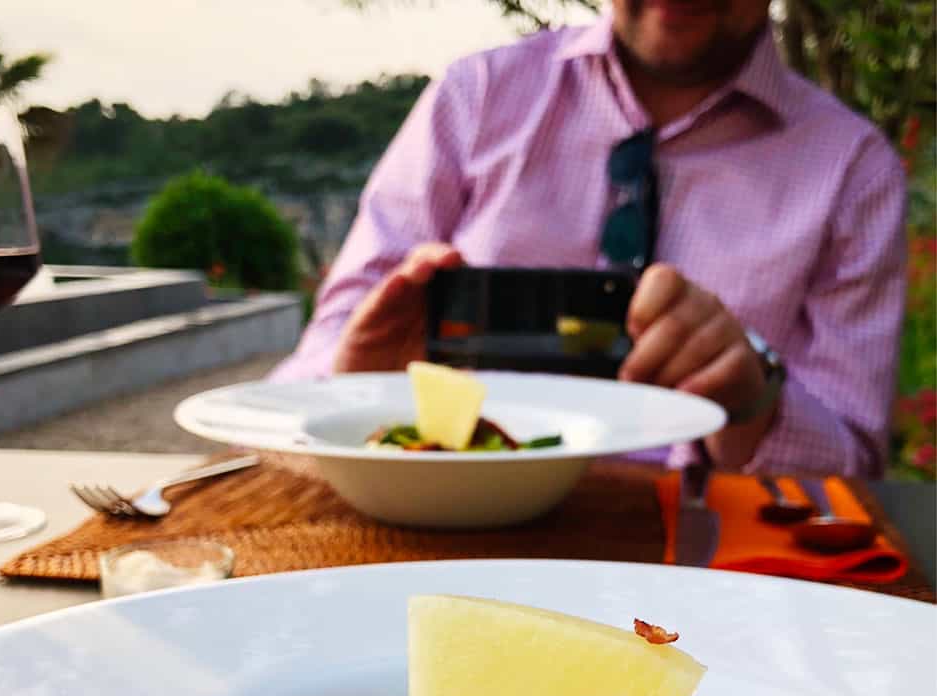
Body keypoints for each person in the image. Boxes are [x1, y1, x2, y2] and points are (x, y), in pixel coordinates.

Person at [271, 1, 906, 475]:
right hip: (444, 521)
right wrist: (354, 385)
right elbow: (305, 376)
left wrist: (755, 395)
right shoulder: (474, 99)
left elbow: (853, 462)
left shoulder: (852, 167)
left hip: (709, 574)